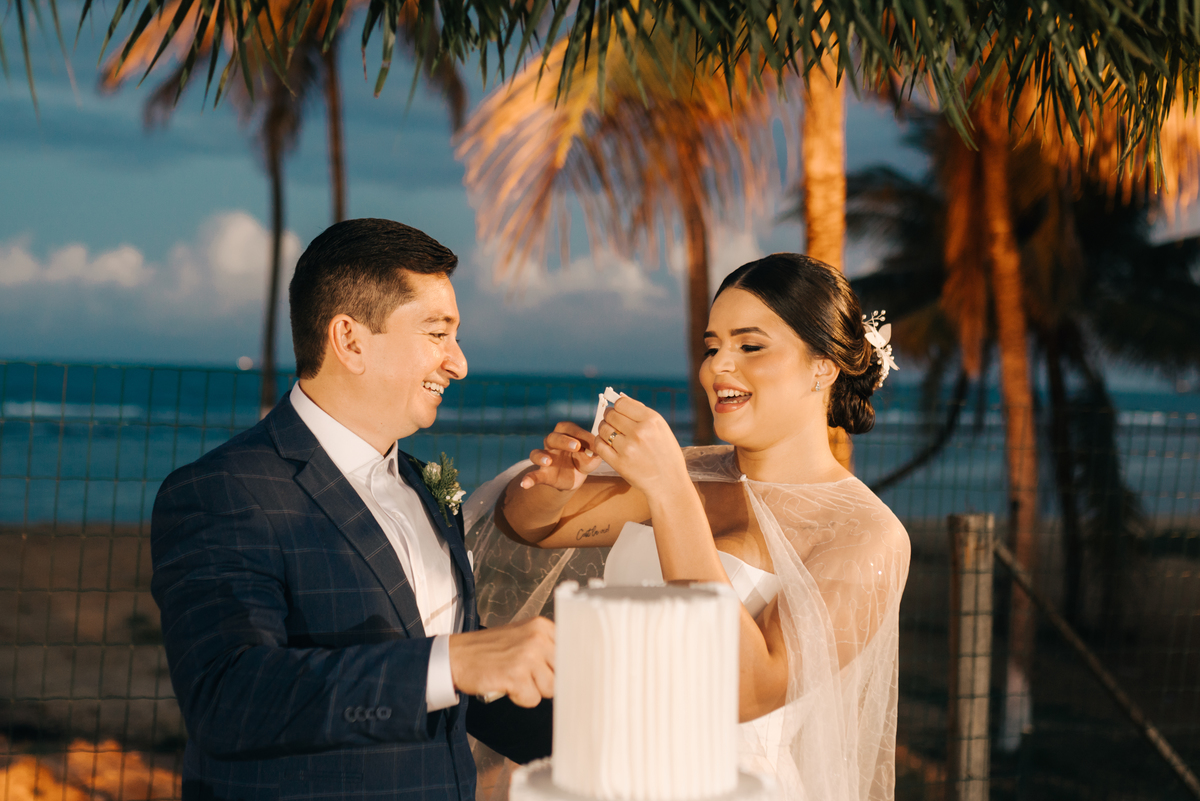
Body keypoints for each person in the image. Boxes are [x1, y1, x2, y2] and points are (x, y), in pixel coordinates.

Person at [468, 253, 910, 801]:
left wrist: (670, 492)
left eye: (749, 346)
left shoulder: (864, 532)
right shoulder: (695, 471)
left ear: (823, 365)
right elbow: (527, 527)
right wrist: (556, 484)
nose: (717, 367)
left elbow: (749, 689)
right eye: (711, 346)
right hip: (610, 774)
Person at [151, 219, 554, 801]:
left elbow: (451, 674)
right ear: (350, 340)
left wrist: (604, 742)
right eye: (437, 332)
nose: (459, 363)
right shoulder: (224, 490)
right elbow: (228, 697)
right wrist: (454, 662)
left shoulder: (422, 482)